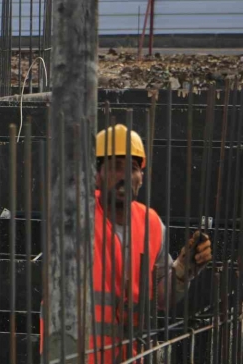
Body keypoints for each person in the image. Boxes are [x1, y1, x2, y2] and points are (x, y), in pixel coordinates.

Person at [40, 124, 213, 363]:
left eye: (132, 168)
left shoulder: (151, 224)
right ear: (95, 175)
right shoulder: (76, 217)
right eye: (115, 167)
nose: (124, 176)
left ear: (141, 178)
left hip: (128, 357)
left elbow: (162, 299)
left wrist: (184, 270)